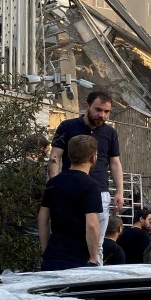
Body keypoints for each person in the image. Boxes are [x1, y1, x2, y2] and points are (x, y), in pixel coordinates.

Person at [49, 91, 123, 266]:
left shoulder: (110, 133)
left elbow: (115, 162)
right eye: (98, 110)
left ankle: (94, 281)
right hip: (71, 191)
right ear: (86, 106)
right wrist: (54, 185)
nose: (102, 115)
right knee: (67, 237)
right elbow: (55, 157)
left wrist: (120, 191)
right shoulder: (67, 127)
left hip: (100, 192)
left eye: (106, 112)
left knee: (97, 245)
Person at [38, 135, 103, 271]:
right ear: (93, 158)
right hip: (78, 258)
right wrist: (93, 258)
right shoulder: (91, 186)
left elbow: (43, 218)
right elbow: (92, 225)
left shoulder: (53, 183)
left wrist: (45, 249)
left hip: (53, 254)